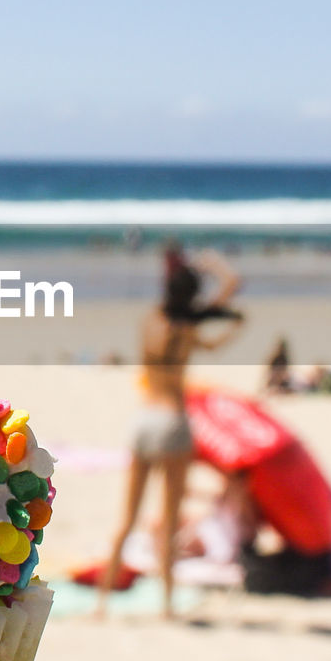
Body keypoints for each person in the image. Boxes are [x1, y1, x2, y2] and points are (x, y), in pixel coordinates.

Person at [98, 248, 244, 618]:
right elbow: (232, 287)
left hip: (144, 420)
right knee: (169, 513)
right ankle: (166, 606)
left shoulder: (150, 321)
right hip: (174, 422)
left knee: (126, 519)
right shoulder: (189, 327)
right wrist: (212, 261)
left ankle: (101, 605)